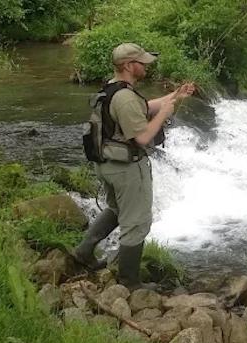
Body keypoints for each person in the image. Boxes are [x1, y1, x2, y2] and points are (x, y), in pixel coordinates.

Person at [73, 43, 195, 290]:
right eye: (142, 62)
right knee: (137, 222)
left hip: (106, 165)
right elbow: (142, 137)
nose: (147, 65)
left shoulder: (112, 88)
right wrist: (166, 113)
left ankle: (83, 252)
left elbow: (144, 107)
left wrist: (176, 95)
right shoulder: (126, 97)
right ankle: (130, 283)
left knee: (117, 209)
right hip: (126, 169)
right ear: (129, 66)